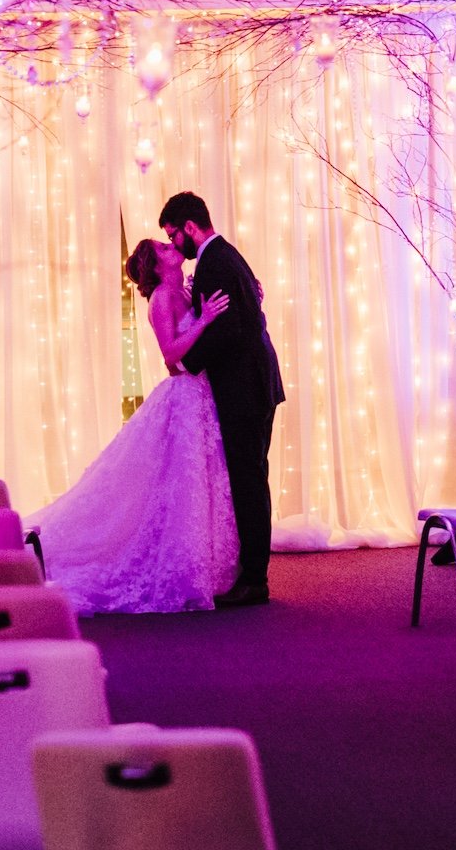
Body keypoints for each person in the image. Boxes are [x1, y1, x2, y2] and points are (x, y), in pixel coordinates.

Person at [29, 240, 238, 613]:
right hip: (184, 398)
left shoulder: (184, 291)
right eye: (162, 247)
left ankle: (204, 563)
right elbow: (170, 354)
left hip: (204, 396)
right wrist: (204, 320)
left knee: (196, 485)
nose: (171, 246)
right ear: (156, 266)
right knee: (180, 485)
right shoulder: (161, 298)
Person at [159, 190, 285, 607]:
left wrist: (186, 363)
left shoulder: (216, 261)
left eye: (174, 235)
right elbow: (248, 315)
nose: (175, 244)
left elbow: (232, 330)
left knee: (249, 479)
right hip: (253, 383)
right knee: (251, 476)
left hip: (245, 387)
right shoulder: (223, 257)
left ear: (190, 228)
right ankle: (253, 573)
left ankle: (255, 579)